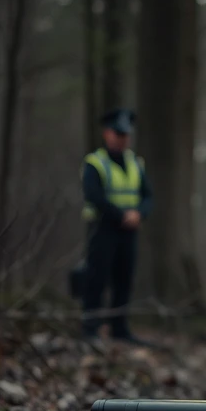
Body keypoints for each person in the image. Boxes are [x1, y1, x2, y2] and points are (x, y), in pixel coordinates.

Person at [79, 108, 153, 345]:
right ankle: (90, 328)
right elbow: (94, 196)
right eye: (118, 133)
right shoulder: (94, 163)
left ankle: (119, 328)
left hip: (128, 233)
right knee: (96, 278)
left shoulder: (136, 163)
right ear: (107, 133)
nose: (122, 138)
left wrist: (139, 214)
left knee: (124, 279)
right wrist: (122, 215)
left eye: (126, 134)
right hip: (102, 230)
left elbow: (148, 196)